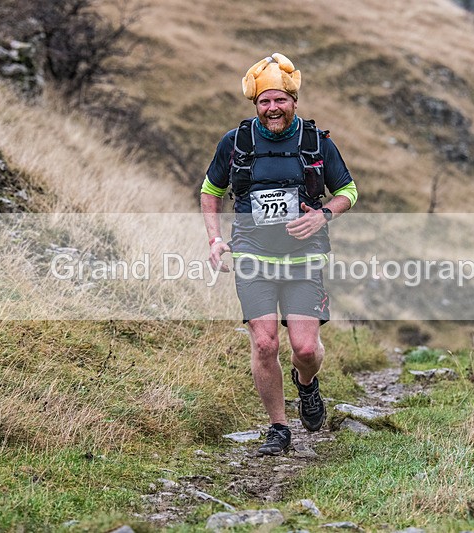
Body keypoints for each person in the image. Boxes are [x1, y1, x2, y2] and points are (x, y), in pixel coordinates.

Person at [200, 53, 358, 455]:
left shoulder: (316, 142)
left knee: (305, 349)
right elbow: (210, 191)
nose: (273, 108)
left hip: (304, 259)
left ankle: (307, 384)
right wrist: (215, 240)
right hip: (252, 257)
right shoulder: (235, 143)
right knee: (265, 344)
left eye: (280, 100)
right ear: (255, 104)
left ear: (294, 102)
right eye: (264, 101)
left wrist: (322, 215)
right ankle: (278, 428)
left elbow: (348, 191)